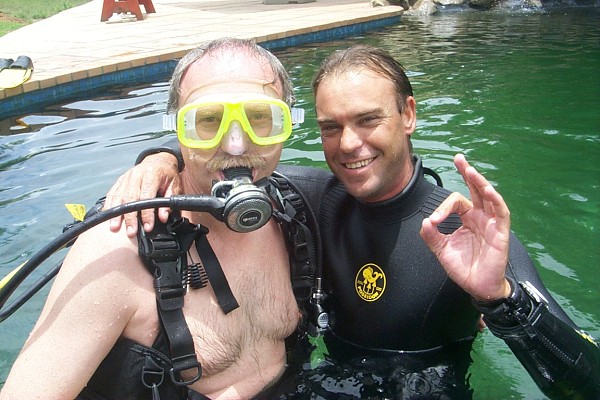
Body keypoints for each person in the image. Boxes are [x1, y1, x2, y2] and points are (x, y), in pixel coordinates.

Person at [106, 46, 599, 399]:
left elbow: (587, 383)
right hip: (324, 383)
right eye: (331, 127)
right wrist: (161, 159)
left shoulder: (465, 232)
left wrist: (502, 301)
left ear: (408, 114)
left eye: (368, 120)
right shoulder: (311, 198)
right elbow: (227, 158)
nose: (348, 144)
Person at [1, 38, 312, 400]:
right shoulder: (117, 250)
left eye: (260, 118)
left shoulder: (295, 213)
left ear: (288, 122)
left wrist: (160, 157)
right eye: (208, 121)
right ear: (179, 131)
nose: (236, 145)